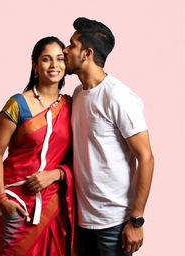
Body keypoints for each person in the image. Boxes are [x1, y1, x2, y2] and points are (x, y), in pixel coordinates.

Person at [63, 17, 154, 256]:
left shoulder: (119, 97)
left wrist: (137, 220)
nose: (65, 49)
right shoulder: (78, 94)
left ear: (87, 53)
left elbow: (146, 157)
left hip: (114, 222)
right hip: (83, 219)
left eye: (71, 44)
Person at [0, 36, 76, 256]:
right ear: (35, 65)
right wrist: (2, 200)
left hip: (53, 205)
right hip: (16, 202)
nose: (54, 65)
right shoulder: (17, 104)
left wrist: (57, 174)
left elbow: (81, 158)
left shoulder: (72, 106)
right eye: (46, 59)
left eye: (59, 59)